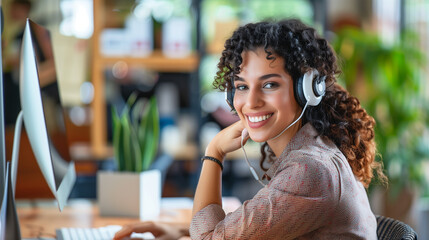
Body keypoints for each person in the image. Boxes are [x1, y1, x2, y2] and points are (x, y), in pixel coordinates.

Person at [114, 18, 386, 240]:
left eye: (269, 85)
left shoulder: (309, 170)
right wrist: (181, 231)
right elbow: (253, 226)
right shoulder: (309, 150)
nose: (251, 102)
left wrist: (214, 152)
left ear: (306, 90)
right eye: (242, 86)